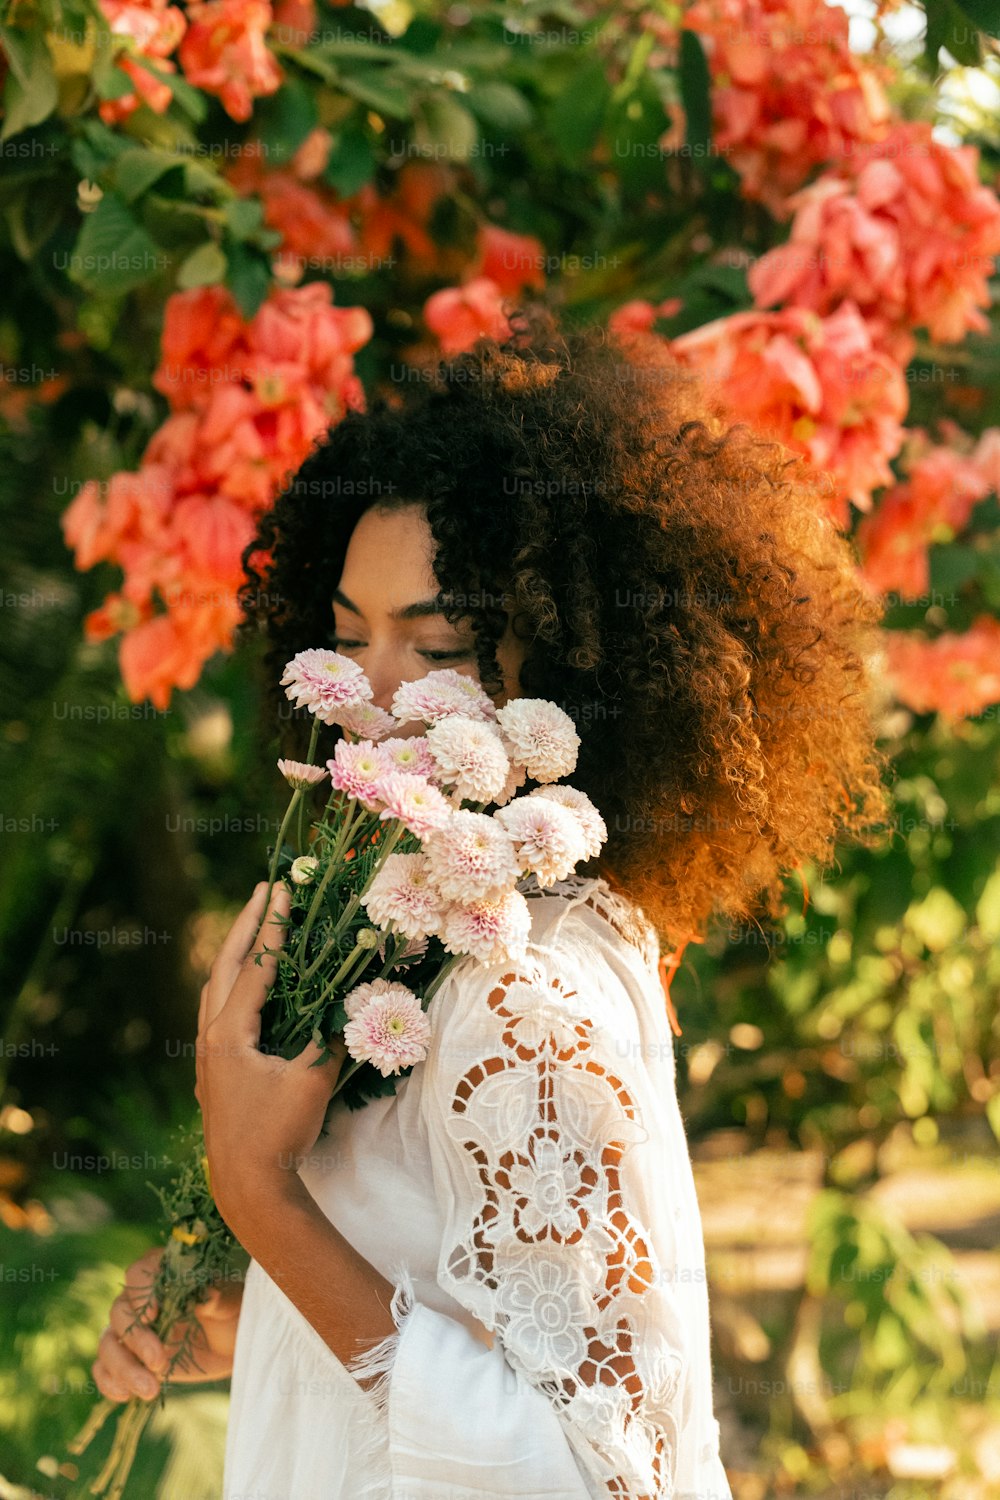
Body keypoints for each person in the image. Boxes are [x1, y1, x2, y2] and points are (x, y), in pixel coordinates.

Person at [93, 305, 891, 1497]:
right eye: (347, 633)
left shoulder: (527, 987)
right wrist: (256, 1299)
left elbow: (579, 1468)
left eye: (441, 644)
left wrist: (256, 1197)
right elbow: (438, 1301)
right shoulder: (409, 934)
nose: (368, 696)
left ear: (566, 672)